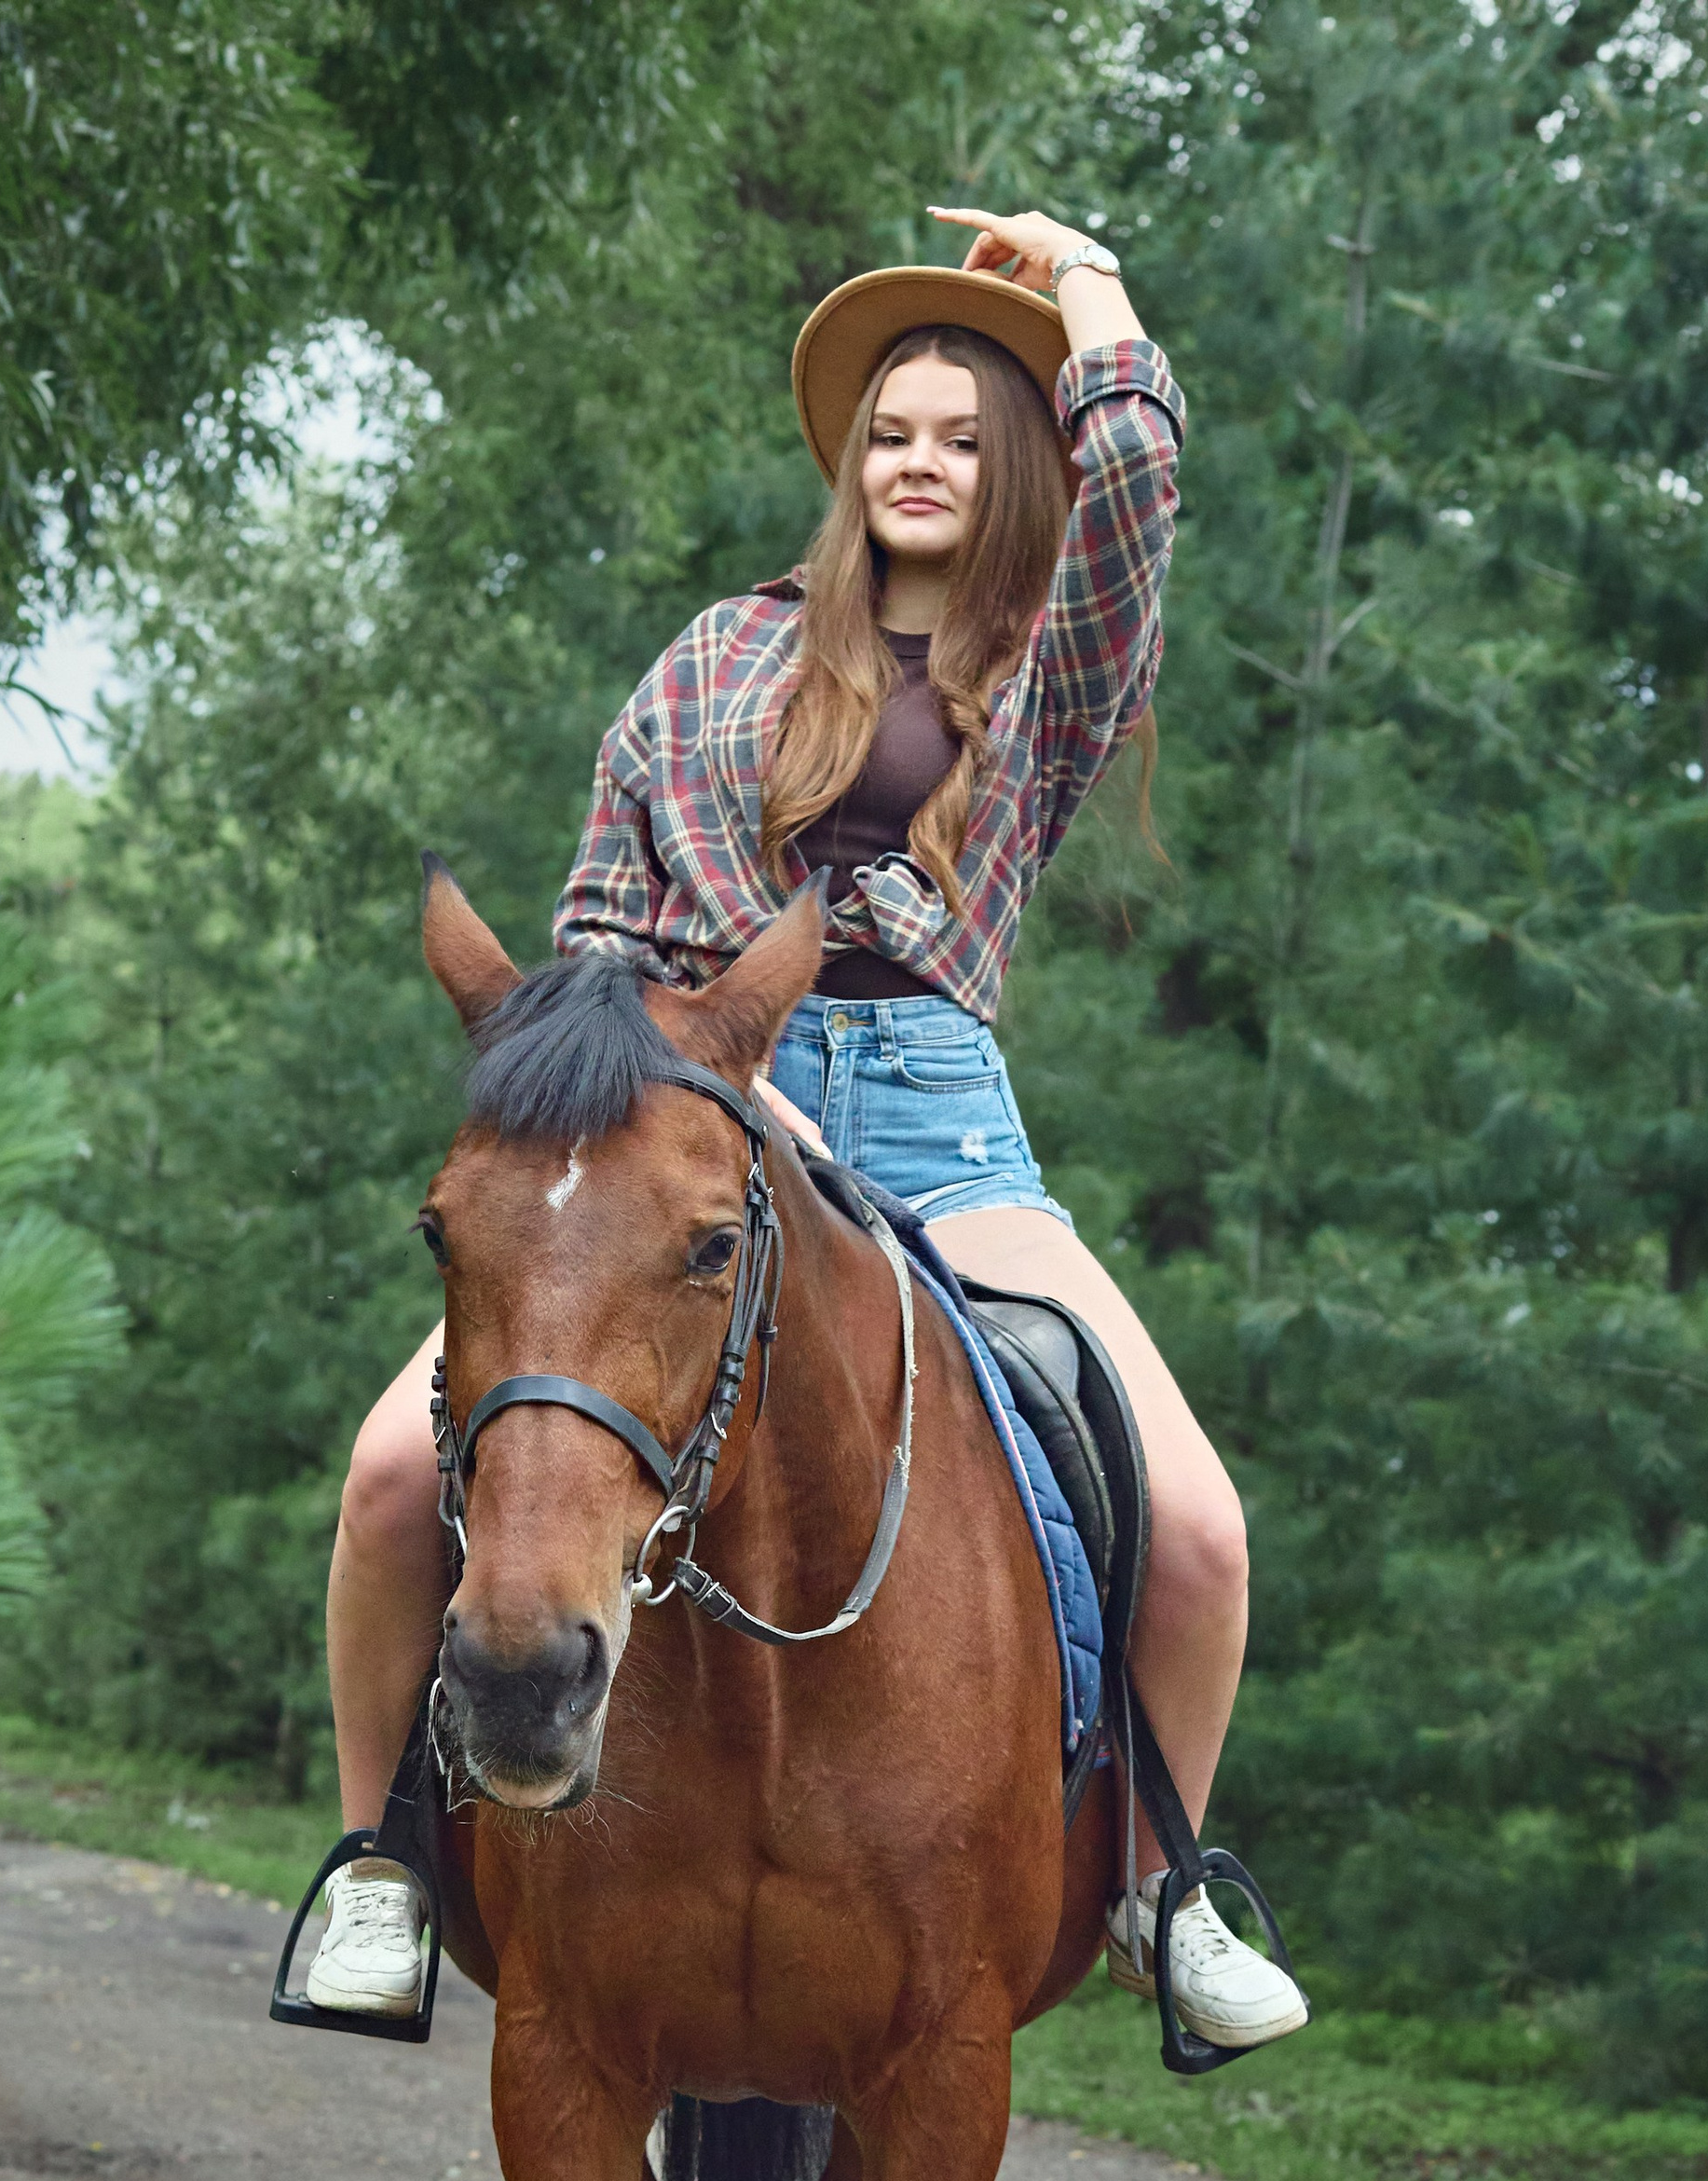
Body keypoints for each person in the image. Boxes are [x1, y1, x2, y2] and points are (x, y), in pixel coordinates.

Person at [307, 202, 1305, 2054]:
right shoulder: (709, 662)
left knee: (1194, 1534)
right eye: (890, 433)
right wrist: (668, 1090)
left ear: (1015, 474)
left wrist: (1082, 273)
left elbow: (1139, 467)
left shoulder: (1042, 663)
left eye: (963, 437)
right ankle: (377, 1864)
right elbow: (596, 935)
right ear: (848, 463)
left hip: (932, 1129)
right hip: (678, 1130)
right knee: (386, 1477)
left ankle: (1166, 1887)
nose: (919, 463)